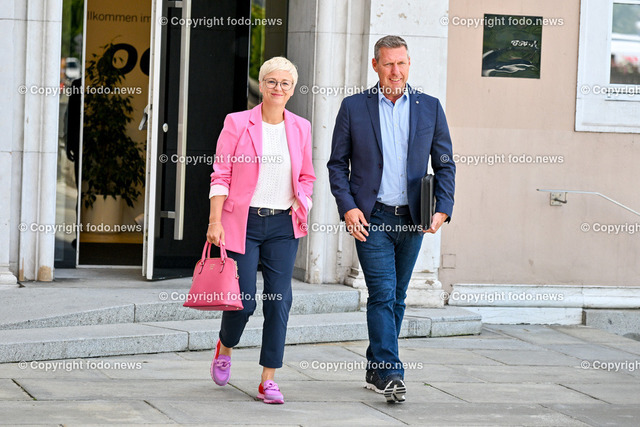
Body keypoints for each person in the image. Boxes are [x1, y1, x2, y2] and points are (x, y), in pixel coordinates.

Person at [327, 35, 455, 403]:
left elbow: (445, 164)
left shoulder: (430, 108)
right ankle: (391, 373)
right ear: (375, 65)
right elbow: (337, 164)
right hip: (372, 218)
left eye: (401, 63)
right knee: (382, 295)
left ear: (409, 64)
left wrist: (443, 207)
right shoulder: (354, 107)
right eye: (388, 63)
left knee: (397, 297)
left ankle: (375, 368)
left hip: (413, 219)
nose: (395, 71)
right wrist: (348, 207)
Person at [207, 56, 315, 404]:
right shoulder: (238, 123)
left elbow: (307, 176)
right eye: (271, 81)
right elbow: (221, 173)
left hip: (283, 225)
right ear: (262, 84)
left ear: (292, 90)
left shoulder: (301, 127)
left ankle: (268, 379)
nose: (277, 88)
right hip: (244, 223)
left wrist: (303, 202)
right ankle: (225, 345)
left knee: (279, 301)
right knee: (243, 302)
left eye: (285, 83)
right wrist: (214, 221)